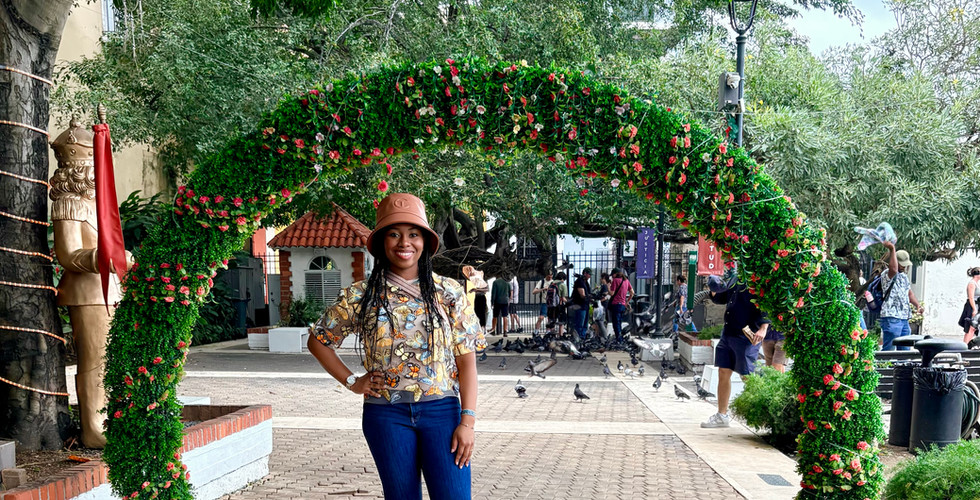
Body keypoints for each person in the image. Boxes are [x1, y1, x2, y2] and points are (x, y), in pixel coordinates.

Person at [307, 193, 486, 499]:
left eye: (413, 234)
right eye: (394, 234)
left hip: (442, 411)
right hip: (385, 415)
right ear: (381, 243)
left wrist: (467, 421)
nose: (404, 243)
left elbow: (467, 363)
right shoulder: (360, 295)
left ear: (425, 242)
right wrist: (352, 382)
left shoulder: (448, 292)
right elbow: (319, 340)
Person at [701, 275, 769, 429]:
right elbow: (722, 297)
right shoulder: (735, 277)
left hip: (746, 334)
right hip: (728, 331)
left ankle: (763, 414)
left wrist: (763, 328)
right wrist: (713, 289)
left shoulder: (756, 277)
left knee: (747, 375)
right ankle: (722, 415)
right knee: (723, 371)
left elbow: (765, 303)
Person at [879, 241, 923, 351]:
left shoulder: (903, 277)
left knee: (905, 350)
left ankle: (903, 368)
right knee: (889, 349)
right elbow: (893, 269)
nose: (904, 266)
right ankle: (885, 367)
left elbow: (909, 293)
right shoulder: (887, 274)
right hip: (891, 316)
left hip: (903, 318)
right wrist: (892, 249)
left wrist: (917, 305)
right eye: (902, 263)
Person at [608, 268, 634, 343]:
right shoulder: (626, 281)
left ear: (615, 274)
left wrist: (608, 286)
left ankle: (619, 339)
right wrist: (627, 301)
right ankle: (620, 338)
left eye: (612, 275)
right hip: (622, 305)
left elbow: (612, 293)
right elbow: (632, 293)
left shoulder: (615, 281)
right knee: (619, 322)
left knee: (616, 323)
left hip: (616, 304)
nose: (612, 277)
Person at [462, 266, 489, 334]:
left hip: (482, 297)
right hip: (477, 297)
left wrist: (476, 290)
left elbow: (487, 289)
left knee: (482, 313)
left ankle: (483, 327)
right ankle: (478, 327)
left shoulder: (484, 281)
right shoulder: (476, 280)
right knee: (477, 312)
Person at [958, 267, 980, 345]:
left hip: (977, 305)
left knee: (973, 327)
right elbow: (971, 297)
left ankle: (967, 344)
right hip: (972, 306)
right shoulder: (972, 283)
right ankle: (965, 344)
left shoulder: (976, 284)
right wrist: (974, 309)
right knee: (970, 327)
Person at [571, 268, 593, 341]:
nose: (590, 276)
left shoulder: (586, 282)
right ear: (585, 273)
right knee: (580, 323)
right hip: (580, 305)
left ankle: (582, 337)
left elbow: (588, 293)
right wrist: (589, 297)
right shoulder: (580, 282)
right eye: (589, 274)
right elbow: (582, 295)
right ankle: (578, 338)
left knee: (585, 324)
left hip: (585, 305)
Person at [549, 272, 569, 338]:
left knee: (552, 321)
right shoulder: (562, 285)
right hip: (559, 306)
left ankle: (552, 337)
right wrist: (569, 302)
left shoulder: (551, 284)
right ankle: (561, 336)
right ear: (562, 279)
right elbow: (563, 298)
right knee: (561, 322)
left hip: (551, 306)